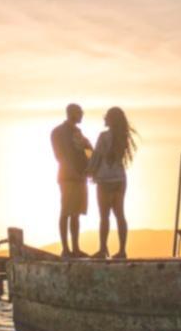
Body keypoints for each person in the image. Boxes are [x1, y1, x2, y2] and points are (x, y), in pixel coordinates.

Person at [88, 106, 136, 260]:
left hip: (104, 179)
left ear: (111, 119)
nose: (104, 119)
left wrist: (88, 172)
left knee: (104, 216)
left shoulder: (103, 137)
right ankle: (122, 250)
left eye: (106, 116)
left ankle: (102, 249)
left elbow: (96, 157)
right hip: (120, 179)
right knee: (120, 215)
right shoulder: (123, 137)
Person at [50, 104, 92, 259]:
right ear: (72, 113)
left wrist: (88, 149)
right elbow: (60, 155)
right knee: (66, 211)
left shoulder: (78, 132)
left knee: (76, 214)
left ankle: (75, 248)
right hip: (68, 177)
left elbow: (87, 153)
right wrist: (74, 171)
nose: (82, 115)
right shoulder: (58, 132)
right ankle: (66, 249)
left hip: (81, 177)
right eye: (80, 113)